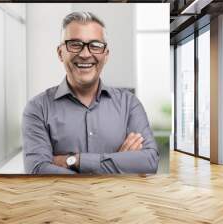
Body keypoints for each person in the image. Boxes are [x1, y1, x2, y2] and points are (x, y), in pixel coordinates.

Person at [22, 11, 159, 174]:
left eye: (95, 45)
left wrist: (74, 160)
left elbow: (149, 161)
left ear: (106, 54)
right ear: (60, 53)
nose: (85, 54)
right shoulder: (37, 108)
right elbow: (37, 170)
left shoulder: (129, 104)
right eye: (74, 44)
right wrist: (117, 164)